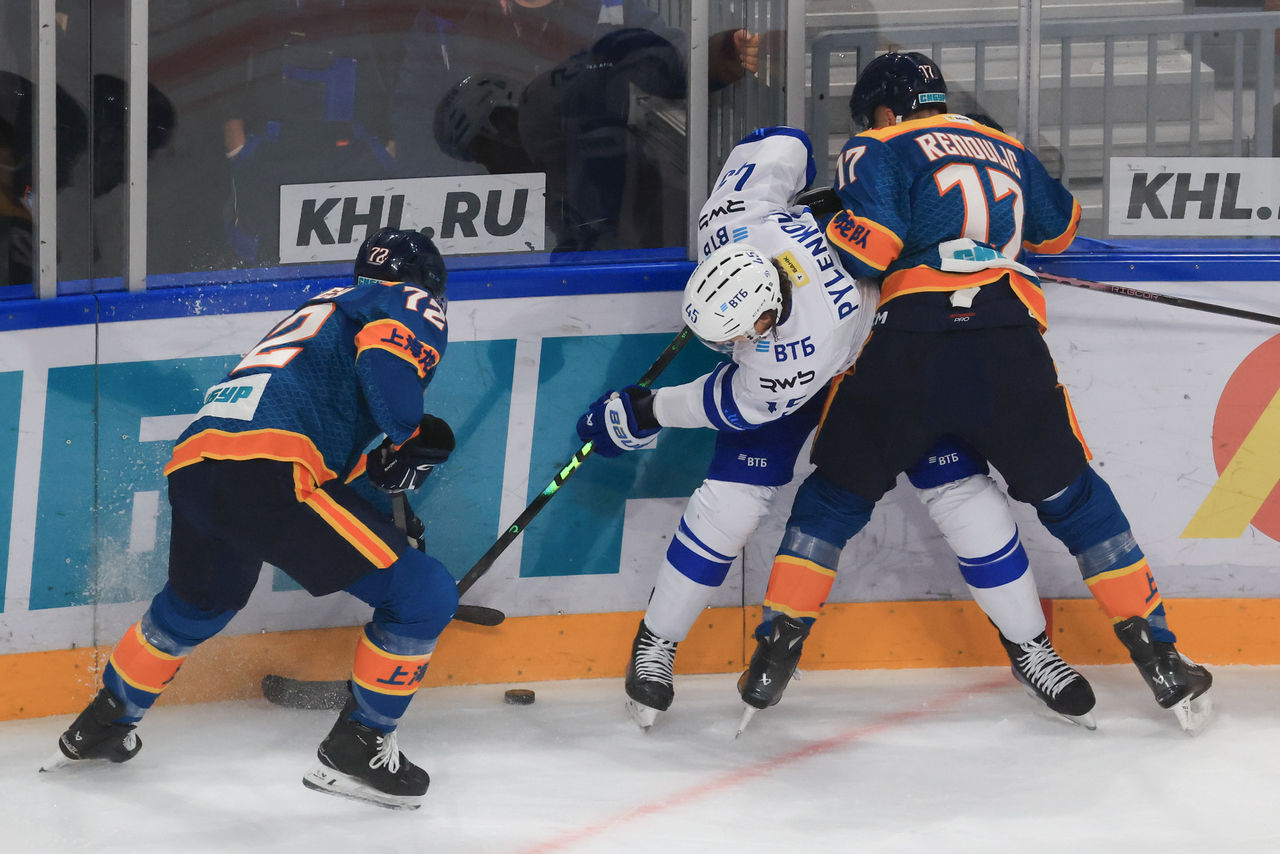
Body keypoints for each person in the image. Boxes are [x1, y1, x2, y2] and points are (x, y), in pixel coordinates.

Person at [738, 53, 1213, 733]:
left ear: (884, 109)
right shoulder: (1003, 143)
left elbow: (870, 251)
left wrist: (829, 219)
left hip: (912, 345)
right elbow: (1060, 228)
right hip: (1007, 344)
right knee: (1075, 499)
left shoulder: (876, 145)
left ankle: (776, 651)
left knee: (834, 498)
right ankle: (1159, 657)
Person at [576, 126, 1095, 734]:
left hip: (883, 360)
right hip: (855, 341)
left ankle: (1031, 647)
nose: (730, 344)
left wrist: (647, 412)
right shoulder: (733, 219)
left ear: (768, 314)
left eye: (740, 333)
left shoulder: (791, 350)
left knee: (959, 492)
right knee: (731, 504)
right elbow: (784, 140)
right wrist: (819, 199)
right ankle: (656, 642)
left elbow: (733, 403)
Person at [44, 228, 460, 810]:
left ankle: (104, 723)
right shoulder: (406, 299)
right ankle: (359, 747)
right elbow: (389, 382)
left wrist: (387, 483)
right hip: (271, 469)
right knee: (424, 594)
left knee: (199, 603)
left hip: (198, 464)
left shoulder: (326, 309)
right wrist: (410, 436)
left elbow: (328, 451)